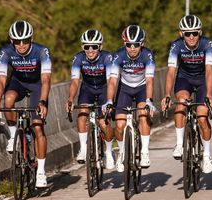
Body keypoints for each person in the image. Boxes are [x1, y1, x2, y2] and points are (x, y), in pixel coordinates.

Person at [0, 20, 52, 188]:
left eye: (25, 40)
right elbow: (1, 79)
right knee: (8, 100)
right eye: (17, 41)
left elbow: (46, 79)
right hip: (17, 82)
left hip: (37, 85)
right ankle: (13, 137)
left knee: (37, 126)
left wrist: (43, 101)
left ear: (31, 39)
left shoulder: (42, 51)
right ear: (12, 41)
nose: (21, 45)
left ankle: (41, 171)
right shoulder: (6, 52)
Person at [162, 15, 212, 174]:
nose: (191, 37)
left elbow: (209, 71)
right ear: (181, 34)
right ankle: (179, 144)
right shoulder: (176, 46)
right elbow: (171, 73)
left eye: (194, 33)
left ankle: (206, 154)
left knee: (202, 117)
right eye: (187, 33)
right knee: (181, 101)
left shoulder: (207, 44)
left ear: (200, 32)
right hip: (184, 79)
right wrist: (166, 94)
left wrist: (210, 96)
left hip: (202, 80)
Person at [103, 25, 156, 172]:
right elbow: (113, 80)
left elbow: (150, 80)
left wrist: (149, 101)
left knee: (143, 116)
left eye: (136, 45)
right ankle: (122, 153)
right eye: (129, 45)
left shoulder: (147, 55)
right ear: (124, 44)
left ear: (142, 44)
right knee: (119, 125)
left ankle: (144, 152)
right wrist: (109, 100)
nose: (132, 49)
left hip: (142, 88)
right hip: (124, 89)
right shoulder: (118, 56)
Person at [66, 29, 115, 171]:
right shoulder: (78, 58)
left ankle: (109, 152)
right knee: (82, 114)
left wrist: (109, 100)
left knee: (103, 122)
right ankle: (83, 148)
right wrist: (70, 98)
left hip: (104, 88)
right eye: (87, 46)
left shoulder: (107, 58)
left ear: (100, 47)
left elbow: (110, 80)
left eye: (94, 46)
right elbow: (75, 81)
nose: (91, 50)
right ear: (83, 47)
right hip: (87, 88)